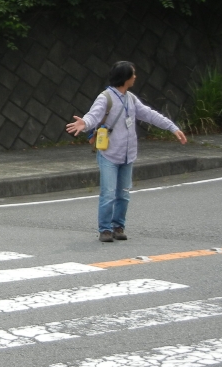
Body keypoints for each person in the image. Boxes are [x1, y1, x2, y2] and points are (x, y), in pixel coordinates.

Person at [66, 61, 187, 243]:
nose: (135, 77)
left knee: (123, 193)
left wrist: (172, 127)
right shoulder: (105, 97)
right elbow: (93, 115)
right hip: (109, 154)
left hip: (128, 154)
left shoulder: (130, 98)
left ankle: (118, 226)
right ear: (125, 78)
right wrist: (84, 123)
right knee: (108, 193)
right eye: (133, 74)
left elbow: (149, 114)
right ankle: (105, 229)